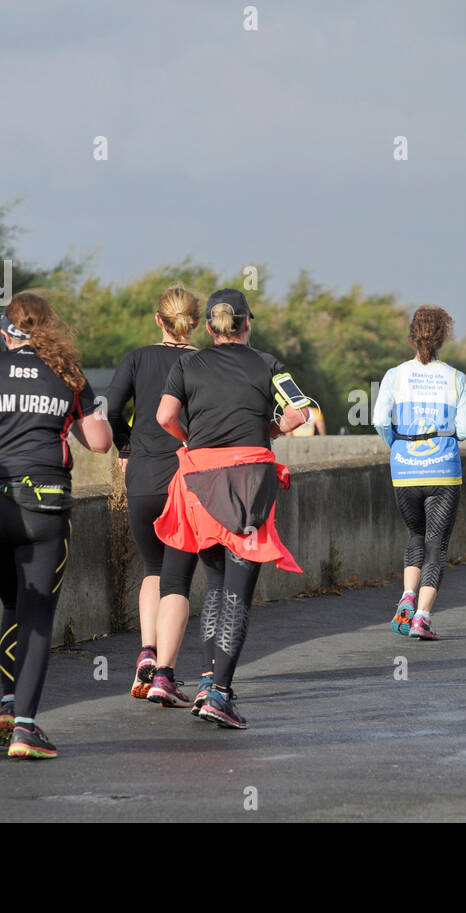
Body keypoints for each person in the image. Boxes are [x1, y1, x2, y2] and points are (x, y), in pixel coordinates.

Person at [0, 291, 111, 759]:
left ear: (4, 330)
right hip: (43, 508)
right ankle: (26, 729)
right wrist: (88, 410)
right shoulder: (68, 374)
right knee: (37, 616)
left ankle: (7, 708)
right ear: (49, 328)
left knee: (14, 603)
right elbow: (98, 442)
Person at [154, 289, 308, 729]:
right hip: (249, 484)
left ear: (208, 327)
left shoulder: (187, 363)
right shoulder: (267, 364)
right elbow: (301, 412)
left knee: (216, 585)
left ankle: (207, 682)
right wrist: (272, 429)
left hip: (199, 483)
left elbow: (165, 416)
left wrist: (192, 440)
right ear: (246, 324)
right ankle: (220, 692)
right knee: (238, 589)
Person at [106, 285, 202, 707]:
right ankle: (165, 675)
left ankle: (146, 652)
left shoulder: (136, 358)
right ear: (195, 322)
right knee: (177, 579)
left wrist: (126, 447)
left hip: (142, 476)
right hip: (185, 478)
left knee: (152, 568)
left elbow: (109, 410)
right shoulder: (204, 362)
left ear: (157, 319)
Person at [373, 306, 466, 641]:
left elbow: (378, 420)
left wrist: (397, 446)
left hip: (404, 470)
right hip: (443, 471)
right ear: (443, 336)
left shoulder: (395, 375)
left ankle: (406, 596)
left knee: (416, 536)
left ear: (412, 336)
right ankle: (422, 618)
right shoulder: (456, 377)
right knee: (437, 545)